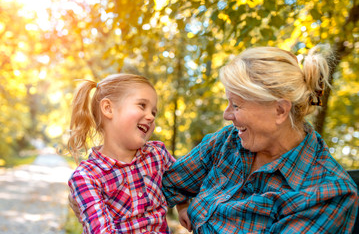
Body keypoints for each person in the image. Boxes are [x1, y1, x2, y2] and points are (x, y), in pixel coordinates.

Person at [162, 46, 358, 233]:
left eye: (236, 105)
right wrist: (183, 204)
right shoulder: (228, 142)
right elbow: (169, 183)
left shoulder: (328, 193)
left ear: (280, 110)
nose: (227, 115)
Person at [67, 74, 176, 233]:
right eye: (141, 105)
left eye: (154, 112)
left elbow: (182, 182)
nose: (151, 116)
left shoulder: (157, 154)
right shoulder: (87, 177)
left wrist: (183, 206)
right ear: (108, 108)